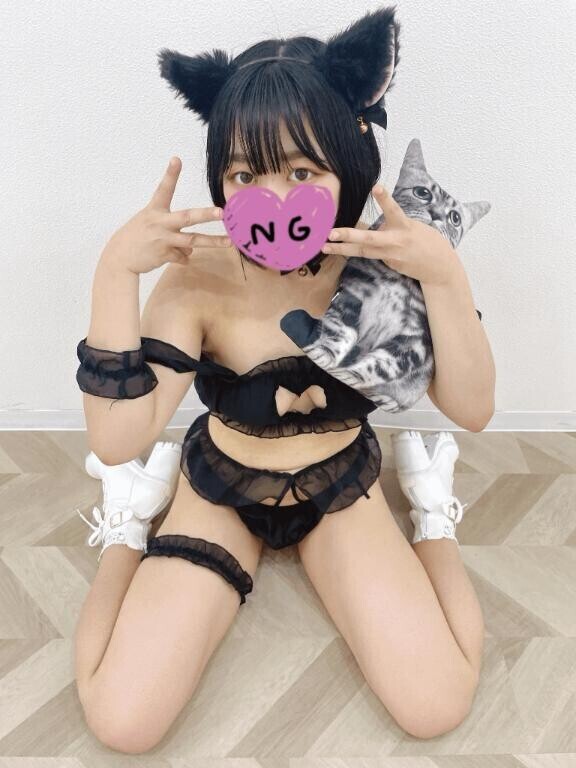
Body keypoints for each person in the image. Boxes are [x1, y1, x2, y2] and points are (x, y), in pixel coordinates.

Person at [73, 6, 488, 754]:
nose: (275, 199)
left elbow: (474, 407)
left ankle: (433, 514)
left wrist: (444, 276)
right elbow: (114, 438)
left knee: (438, 703)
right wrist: (114, 273)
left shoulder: (384, 265)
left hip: (339, 485)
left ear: (347, 160)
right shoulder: (196, 278)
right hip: (222, 487)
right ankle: (127, 523)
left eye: (302, 171)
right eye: (245, 174)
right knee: (120, 721)